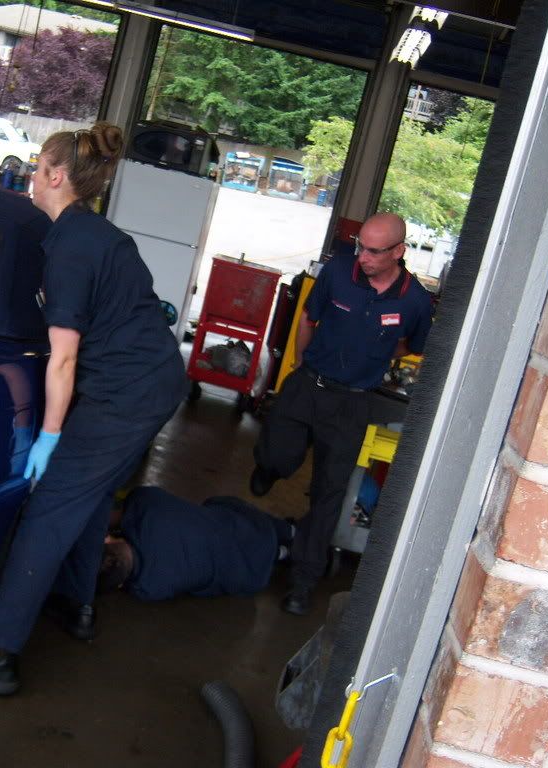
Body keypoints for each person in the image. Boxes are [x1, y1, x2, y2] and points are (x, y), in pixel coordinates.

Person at [0, 123, 188, 695]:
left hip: (126, 395)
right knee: (86, 497)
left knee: (49, 511)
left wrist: (51, 436)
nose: (31, 176)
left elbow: (62, 361)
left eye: (37, 167)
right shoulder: (95, 233)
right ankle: (78, 604)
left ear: (56, 177)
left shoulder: (68, 249)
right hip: (150, 380)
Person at [249, 213, 432, 616]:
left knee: (329, 493)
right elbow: (309, 319)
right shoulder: (338, 272)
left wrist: (376, 355)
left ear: (398, 252)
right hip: (308, 383)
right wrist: (300, 364)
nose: (361, 256)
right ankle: (270, 467)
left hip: (352, 403)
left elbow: (410, 346)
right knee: (279, 452)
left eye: (372, 250)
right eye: (360, 245)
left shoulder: (414, 301)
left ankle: (303, 580)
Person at [98, 486, 296, 601]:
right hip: (252, 527)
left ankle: (282, 553)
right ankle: (291, 531)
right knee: (215, 511)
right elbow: (131, 503)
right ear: (108, 538)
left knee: (227, 555)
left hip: (252, 577)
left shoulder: (148, 587)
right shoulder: (146, 507)